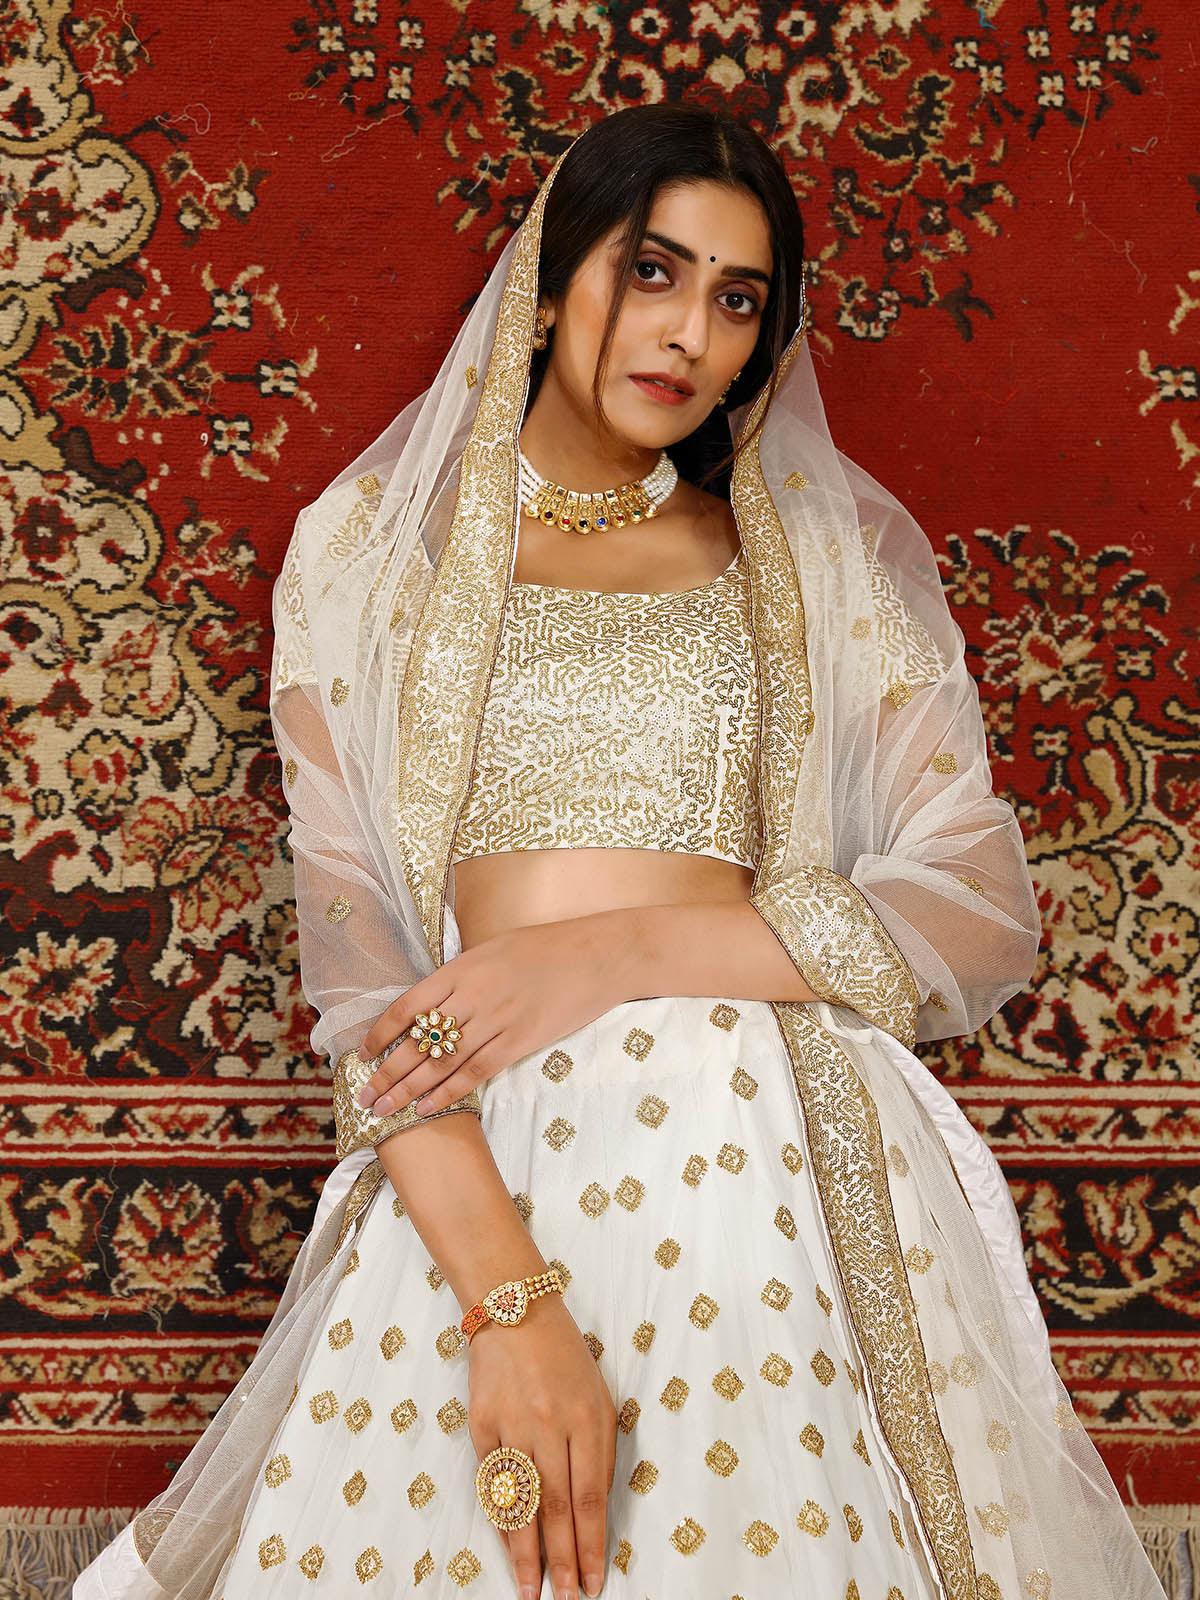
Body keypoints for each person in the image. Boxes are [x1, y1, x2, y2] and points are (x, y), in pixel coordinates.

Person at [74, 106, 1167, 1600]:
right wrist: (510, 1309)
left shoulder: (810, 563)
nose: (690, 334)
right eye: (652, 271)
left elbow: (975, 902)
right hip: (479, 1155)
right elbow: (365, 981)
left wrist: (598, 956)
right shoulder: (371, 559)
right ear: (549, 281)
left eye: (738, 299)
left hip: (766, 1161)